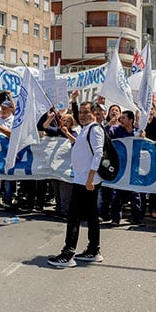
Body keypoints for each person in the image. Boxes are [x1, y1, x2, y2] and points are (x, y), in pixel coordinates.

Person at [48, 101, 104, 268]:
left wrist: (90, 179)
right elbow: (81, 147)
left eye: (86, 112)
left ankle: (68, 253)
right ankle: (93, 250)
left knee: (74, 216)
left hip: (86, 180)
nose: (82, 115)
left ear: (94, 113)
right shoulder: (86, 129)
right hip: (84, 179)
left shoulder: (95, 129)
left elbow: (98, 153)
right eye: (80, 112)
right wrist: (68, 135)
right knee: (91, 216)